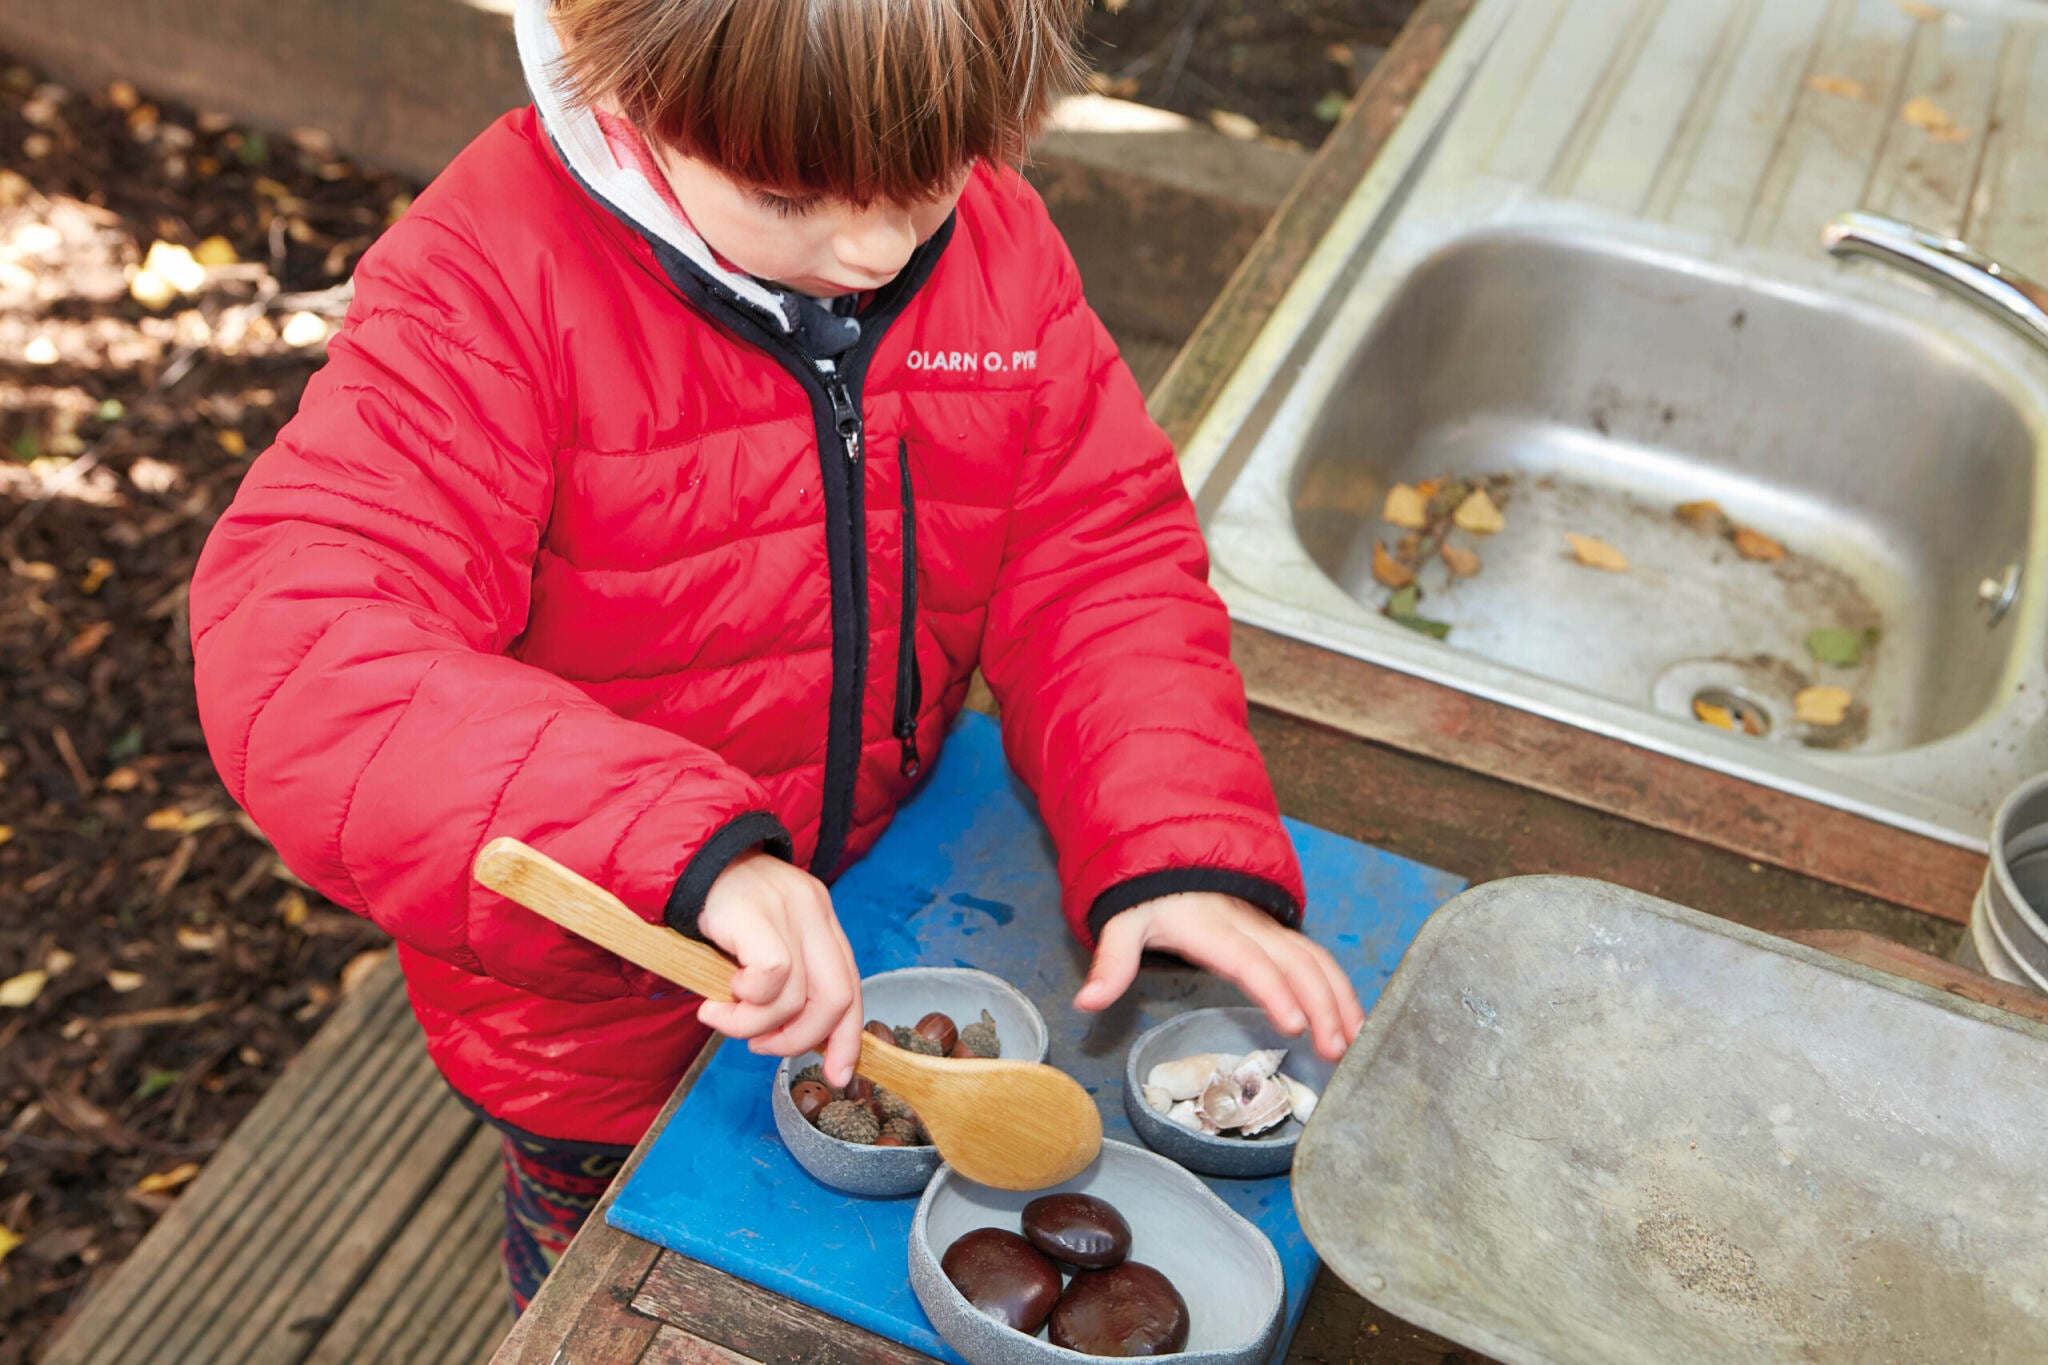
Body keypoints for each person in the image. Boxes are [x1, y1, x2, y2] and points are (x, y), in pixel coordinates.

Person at [189, 0, 1364, 1310]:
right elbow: (304, 650)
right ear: (612, 72)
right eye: (785, 192)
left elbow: (1090, 551)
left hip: (896, 913)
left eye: (925, 179)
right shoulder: (491, 288)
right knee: (618, 1280)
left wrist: (1170, 836)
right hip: (615, 1016)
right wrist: (677, 854)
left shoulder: (993, 260)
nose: (871, 247)